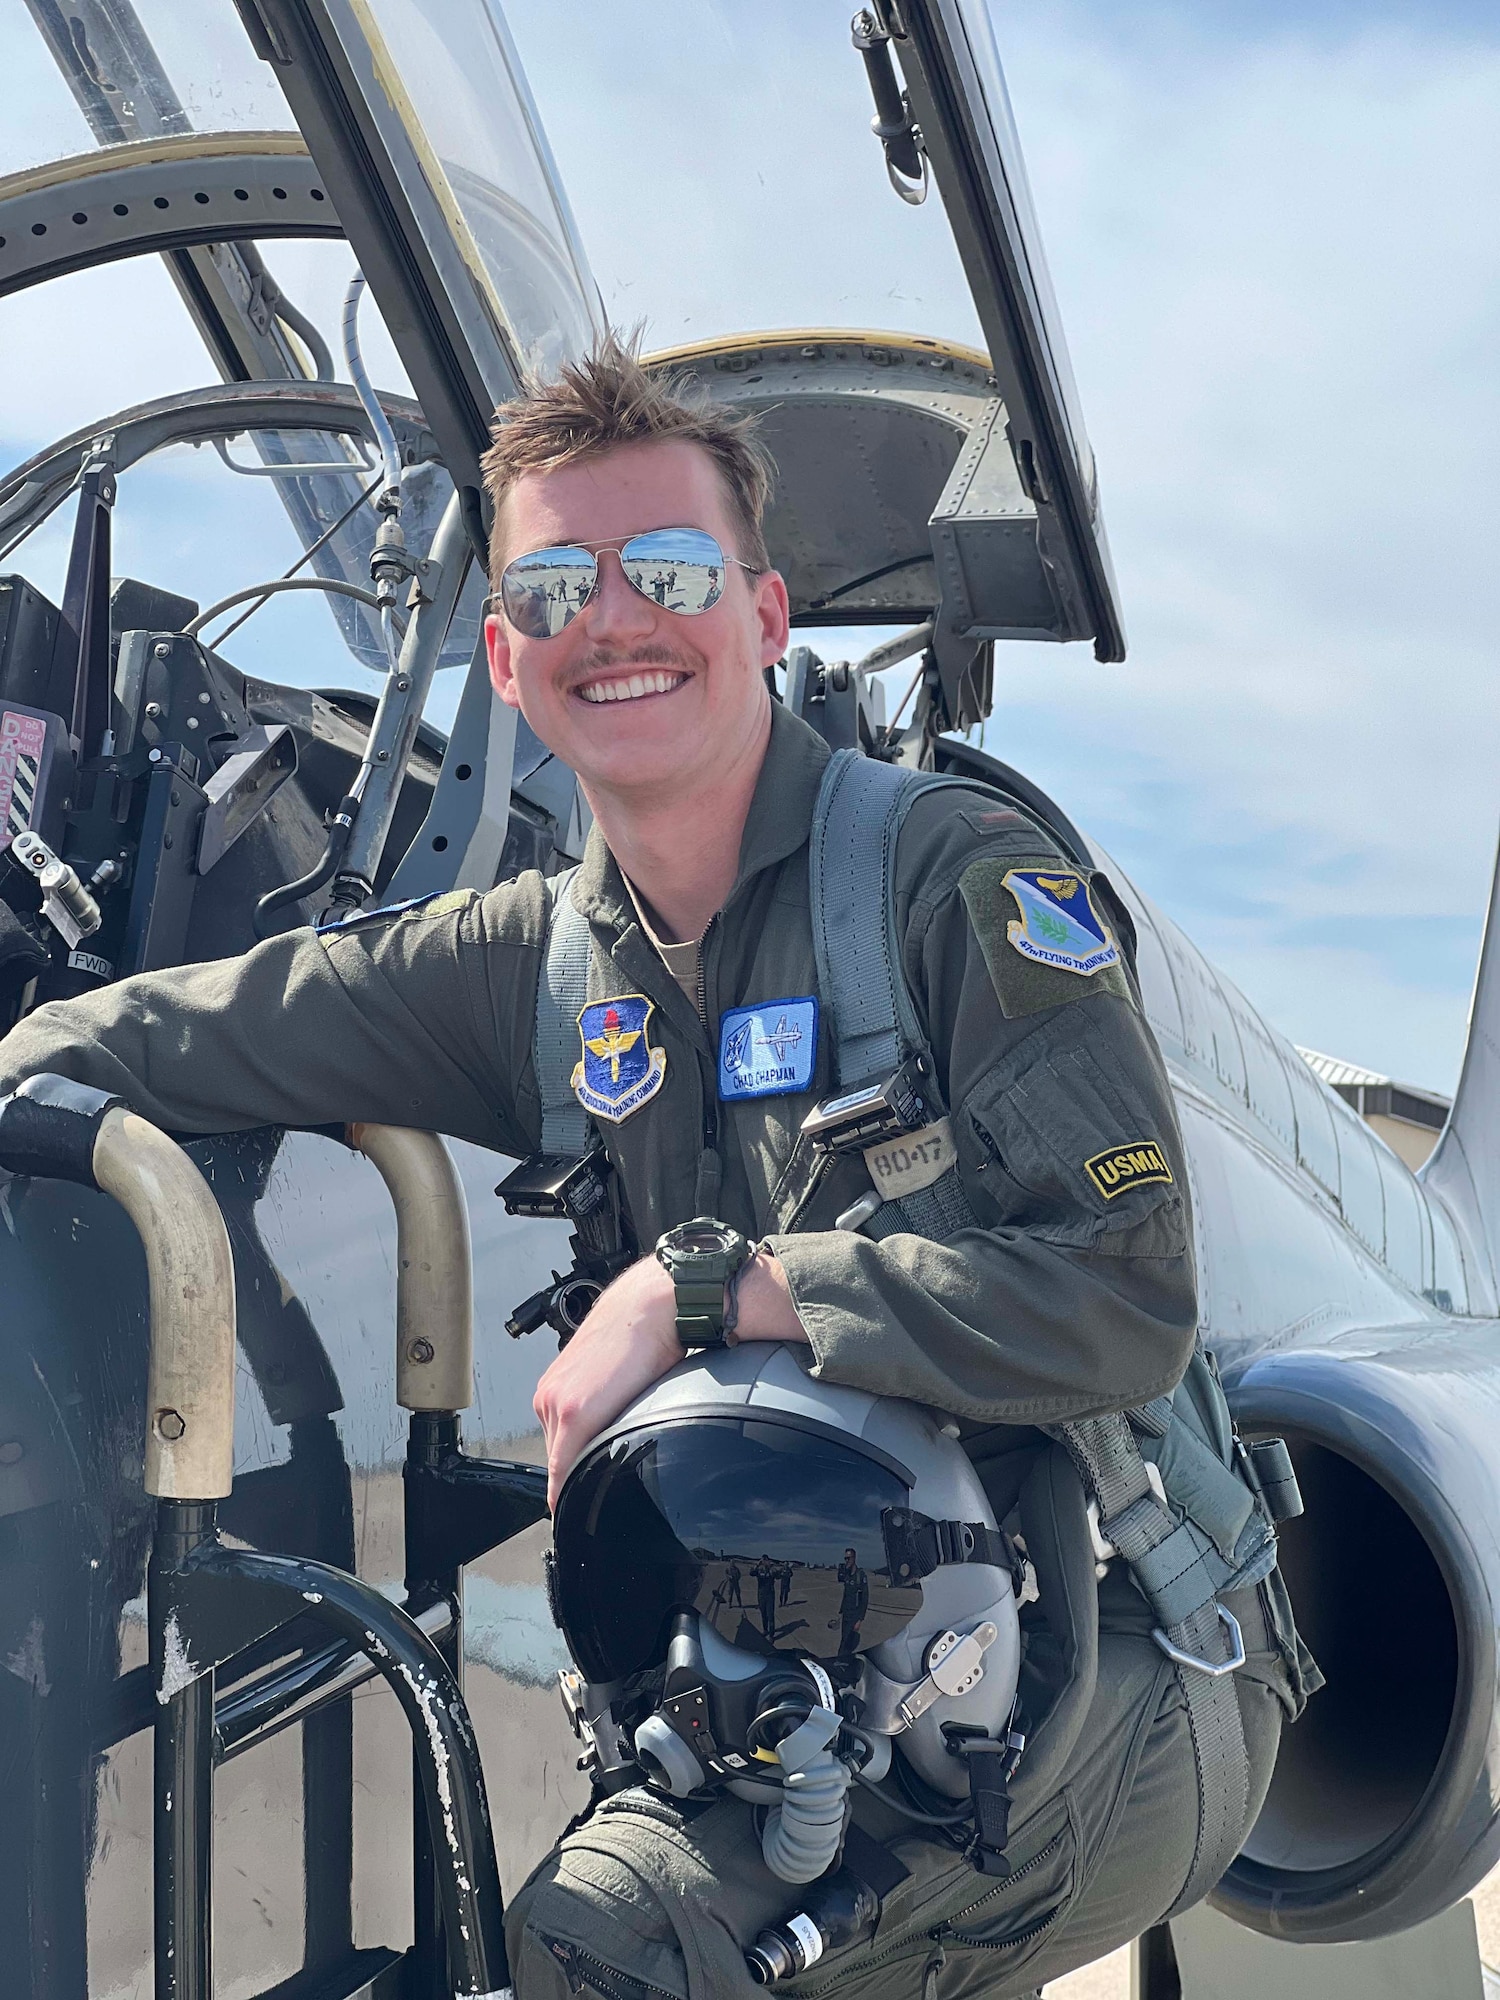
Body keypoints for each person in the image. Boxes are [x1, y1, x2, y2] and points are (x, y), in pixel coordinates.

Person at [0, 336, 1304, 1999]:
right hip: (804, 1647)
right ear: (507, 653)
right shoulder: (533, 967)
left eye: (669, 569)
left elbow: (1130, 1302)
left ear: (763, 616)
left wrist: (712, 1293)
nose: (612, 622)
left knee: (601, 1953)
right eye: (554, 588)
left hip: (1111, 1650)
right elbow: (171, 1030)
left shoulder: (957, 894)